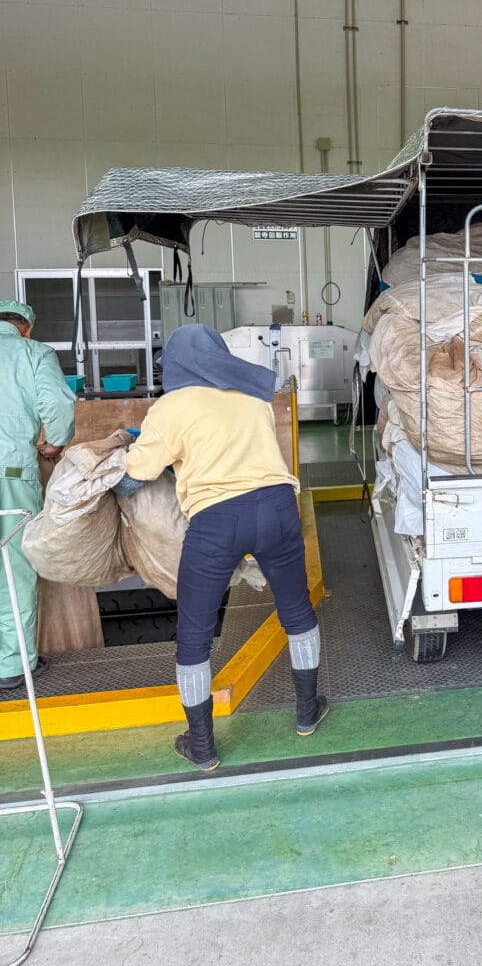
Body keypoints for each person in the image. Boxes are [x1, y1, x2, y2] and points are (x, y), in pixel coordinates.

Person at [117, 324, 325, 772]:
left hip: (217, 522)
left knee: (194, 633)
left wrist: (128, 463)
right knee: (296, 610)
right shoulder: (250, 395)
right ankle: (308, 712)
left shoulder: (169, 407)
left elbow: (136, 477)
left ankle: (202, 746)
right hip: (277, 507)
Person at [0, 300, 75, 690]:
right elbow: (59, 405)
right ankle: (13, 665)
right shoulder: (33, 353)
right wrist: (55, 443)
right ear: (25, 328)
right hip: (10, 472)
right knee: (12, 568)